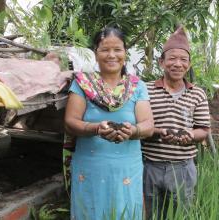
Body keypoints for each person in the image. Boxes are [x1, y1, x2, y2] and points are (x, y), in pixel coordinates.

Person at [64, 26, 154, 220]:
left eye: (117, 49)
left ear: (125, 53)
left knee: (126, 213)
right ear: (95, 54)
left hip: (127, 168)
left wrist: (133, 130)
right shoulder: (83, 84)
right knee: (90, 211)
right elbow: (70, 122)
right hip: (90, 167)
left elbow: (148, 125)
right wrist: (96, 128)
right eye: (105, 50)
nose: (111, 55)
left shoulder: (137, 86)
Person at [142, 26, 211, 219]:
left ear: (188, 65)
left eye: (183, 60)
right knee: (149, 213)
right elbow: (139, 125)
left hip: (182, 167)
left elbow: (203, 130)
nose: (177, 64)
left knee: (180, 213)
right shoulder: (145, 90)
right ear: (161, 62)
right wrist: (159, 131)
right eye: (172, 58)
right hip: (150, 165)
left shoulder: (197, 93)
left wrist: (189, 135)